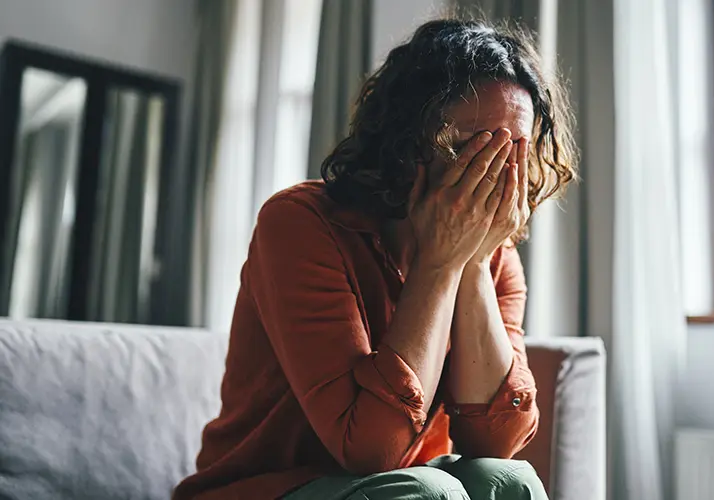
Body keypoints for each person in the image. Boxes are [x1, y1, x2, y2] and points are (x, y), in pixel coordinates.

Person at [173, 16, 575, 500]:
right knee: (427, 494)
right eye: (474, 148)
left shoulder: (496, 256)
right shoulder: (301, 223)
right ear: (407, 140)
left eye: (514, 150)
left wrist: (470, 261)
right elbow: (369, 450)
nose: (495, 174)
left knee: (511, 482)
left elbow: (494, 441)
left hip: (400, 482)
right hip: (265, 488)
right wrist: (440, 265)